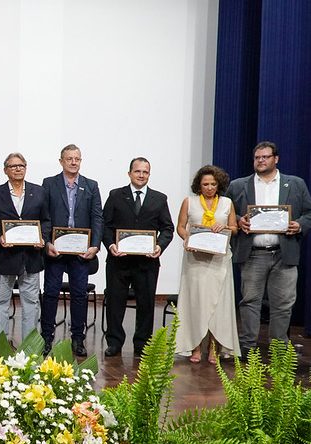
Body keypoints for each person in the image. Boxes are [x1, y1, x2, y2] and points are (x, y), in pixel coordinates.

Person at [227, 141, 311, 358]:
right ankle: (248, 347)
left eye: (265, 157)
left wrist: (300, 225)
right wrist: (239, 220)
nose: (261, 161)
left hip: (284, 254)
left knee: (283, 304)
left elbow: (309, 213)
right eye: (257, 157)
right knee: (249, 302)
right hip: (253, 254)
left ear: (276, 159)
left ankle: (279, 350)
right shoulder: (238, 185)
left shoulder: (295, 184)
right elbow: (225, 212)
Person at [102, 157, 174, 358]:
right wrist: (111, 245)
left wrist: (160, 246)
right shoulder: (115, 195)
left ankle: (142, 343)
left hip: (147, 262)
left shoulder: (159, 198)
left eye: (145, 172)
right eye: (137, 171)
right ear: (129, 173)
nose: (141, 175)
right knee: (115, 303)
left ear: (149, 174)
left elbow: (168, 228)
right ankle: (114, 342)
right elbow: (105, 225)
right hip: (118, 260)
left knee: (146, 303)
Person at [40, 144, 103, 357]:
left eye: (77, 159)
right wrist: (46, 243)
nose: (74, 162)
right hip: (55, 251)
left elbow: (97, 217)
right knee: (50, 293)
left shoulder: (91, 185)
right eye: (69, 159)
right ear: (61, 161)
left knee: (79, 295)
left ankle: (78, 339)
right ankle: (46, 338)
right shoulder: (49, 184)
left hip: (81, 252)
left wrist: (95, 245)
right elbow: (45, 217)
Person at [175, 165, 239, 363]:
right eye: (205, 184)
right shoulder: (189, 202)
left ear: (218, 185)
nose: (209, 188)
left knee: (217, 305)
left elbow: (235, 228)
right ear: (199, 185)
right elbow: (180, 227)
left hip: (219, 261)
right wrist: (187, 239)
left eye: (213, 184)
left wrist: (225, 226)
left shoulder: (227, 203)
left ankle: (213, 348)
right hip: (195, 260)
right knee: (195, 303)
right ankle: (195, 347)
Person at [0, 153, 48, 341]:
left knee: (31, 303)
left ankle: (29, 348)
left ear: (26, 168)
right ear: (5, 170)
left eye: (21, 165)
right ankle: (2, 347)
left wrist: (43, 238)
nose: (18, 168)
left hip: (31, 257)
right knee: (1, 302)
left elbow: (46, 221)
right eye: (13, 166)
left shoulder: (39, 192)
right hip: (5, 257)